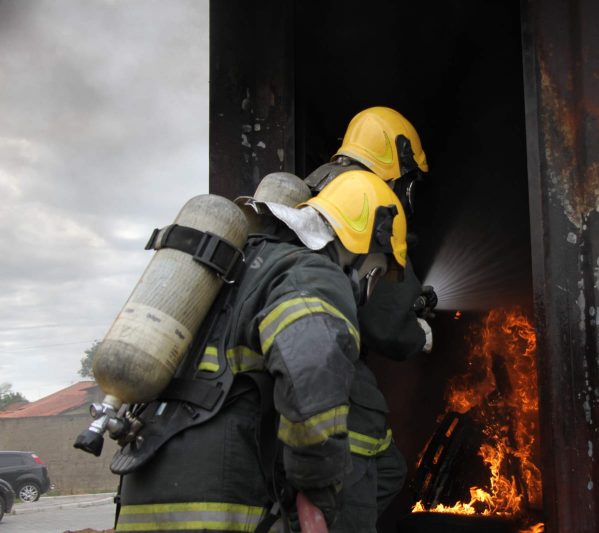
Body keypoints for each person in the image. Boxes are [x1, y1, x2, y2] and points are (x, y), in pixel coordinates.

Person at [113, 169, 408, 533]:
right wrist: (318, 493)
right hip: (219, 507)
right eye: (379, 272)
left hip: (140, 495)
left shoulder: (238, 267)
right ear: (370, 246)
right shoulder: (311, 274)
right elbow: (312, 369)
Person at [304, 107, 438, 528]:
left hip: (299, 353)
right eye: (410, 176)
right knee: (365, 479)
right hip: (332, 372)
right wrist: (419, 332)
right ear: (397, 159)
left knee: (389, 470)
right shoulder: (369, 196)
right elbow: (386, 321)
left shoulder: (318, 186)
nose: (408, 189)